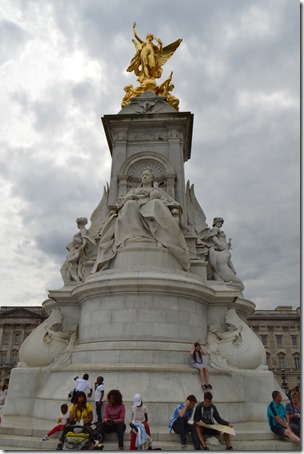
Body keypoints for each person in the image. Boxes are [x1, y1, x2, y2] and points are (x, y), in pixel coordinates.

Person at [91, 168, 190, 273]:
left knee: (156, 204)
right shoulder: (133, 190)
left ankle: (158, 236)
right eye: (143, 174)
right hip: (135, 206)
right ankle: (132, 236)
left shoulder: (156, 190)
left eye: (147, 174)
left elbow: (167, 201)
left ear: (152, 178)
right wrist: (131, 198)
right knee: (129, 205)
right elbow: (122, 201)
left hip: (150, 205)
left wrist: (153, 192)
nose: (144, 176)